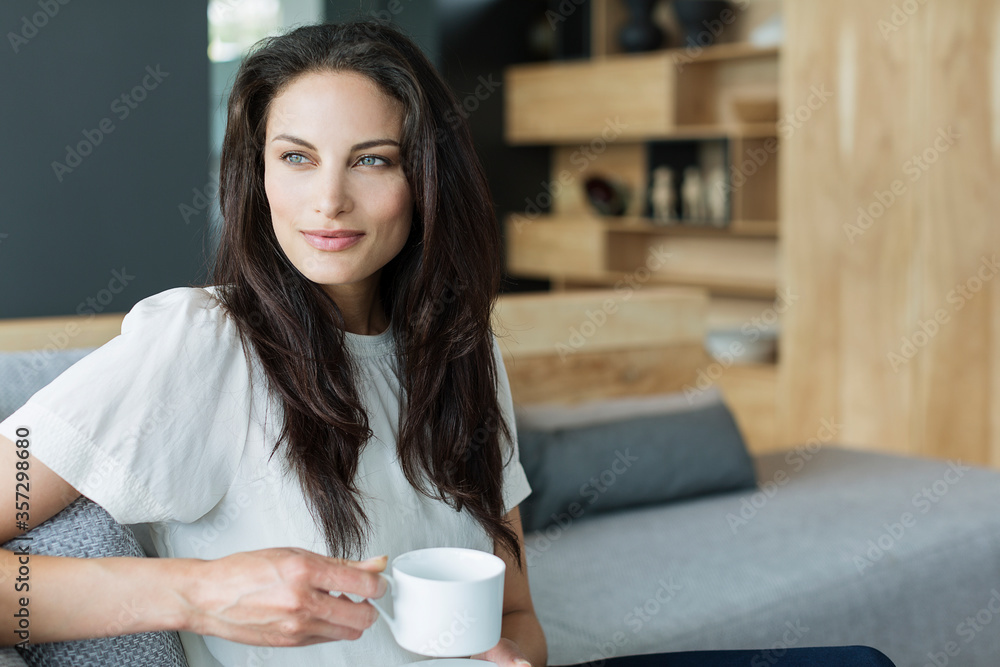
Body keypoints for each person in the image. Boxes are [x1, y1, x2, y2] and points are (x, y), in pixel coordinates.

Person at [0, 19, 896, 667]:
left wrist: (516, 660)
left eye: (374, 159)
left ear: (425, 178)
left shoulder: (461, 352)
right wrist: (192, 595)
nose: (328, 203)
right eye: (297, 157)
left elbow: (515, 611)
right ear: (256, 173)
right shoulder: (199, 344)